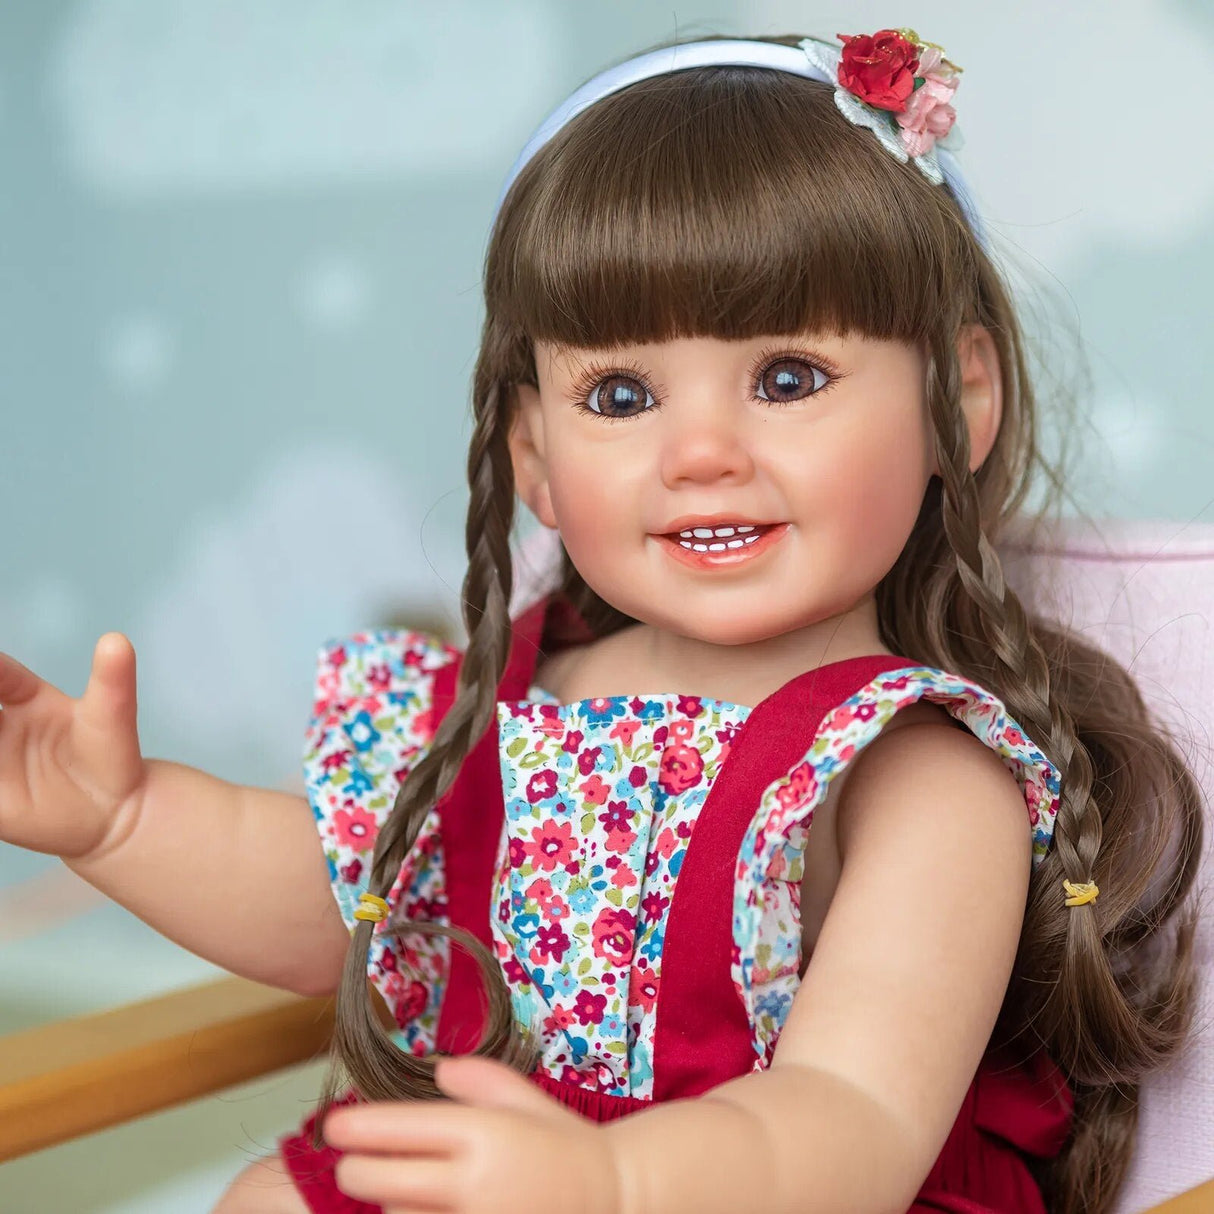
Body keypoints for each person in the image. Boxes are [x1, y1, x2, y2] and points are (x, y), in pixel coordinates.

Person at [0, 28, 1204, 1214]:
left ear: (959, 397)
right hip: (525, 1164)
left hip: (761, 1186)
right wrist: (119, 817)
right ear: (532, 451)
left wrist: (615, 1181)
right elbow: (346, 907)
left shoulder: (921, 769)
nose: (697, 454)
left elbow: (854, 1114)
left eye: (786, 377)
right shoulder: (525, 690)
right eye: (620, 395)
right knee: (274, 1199)